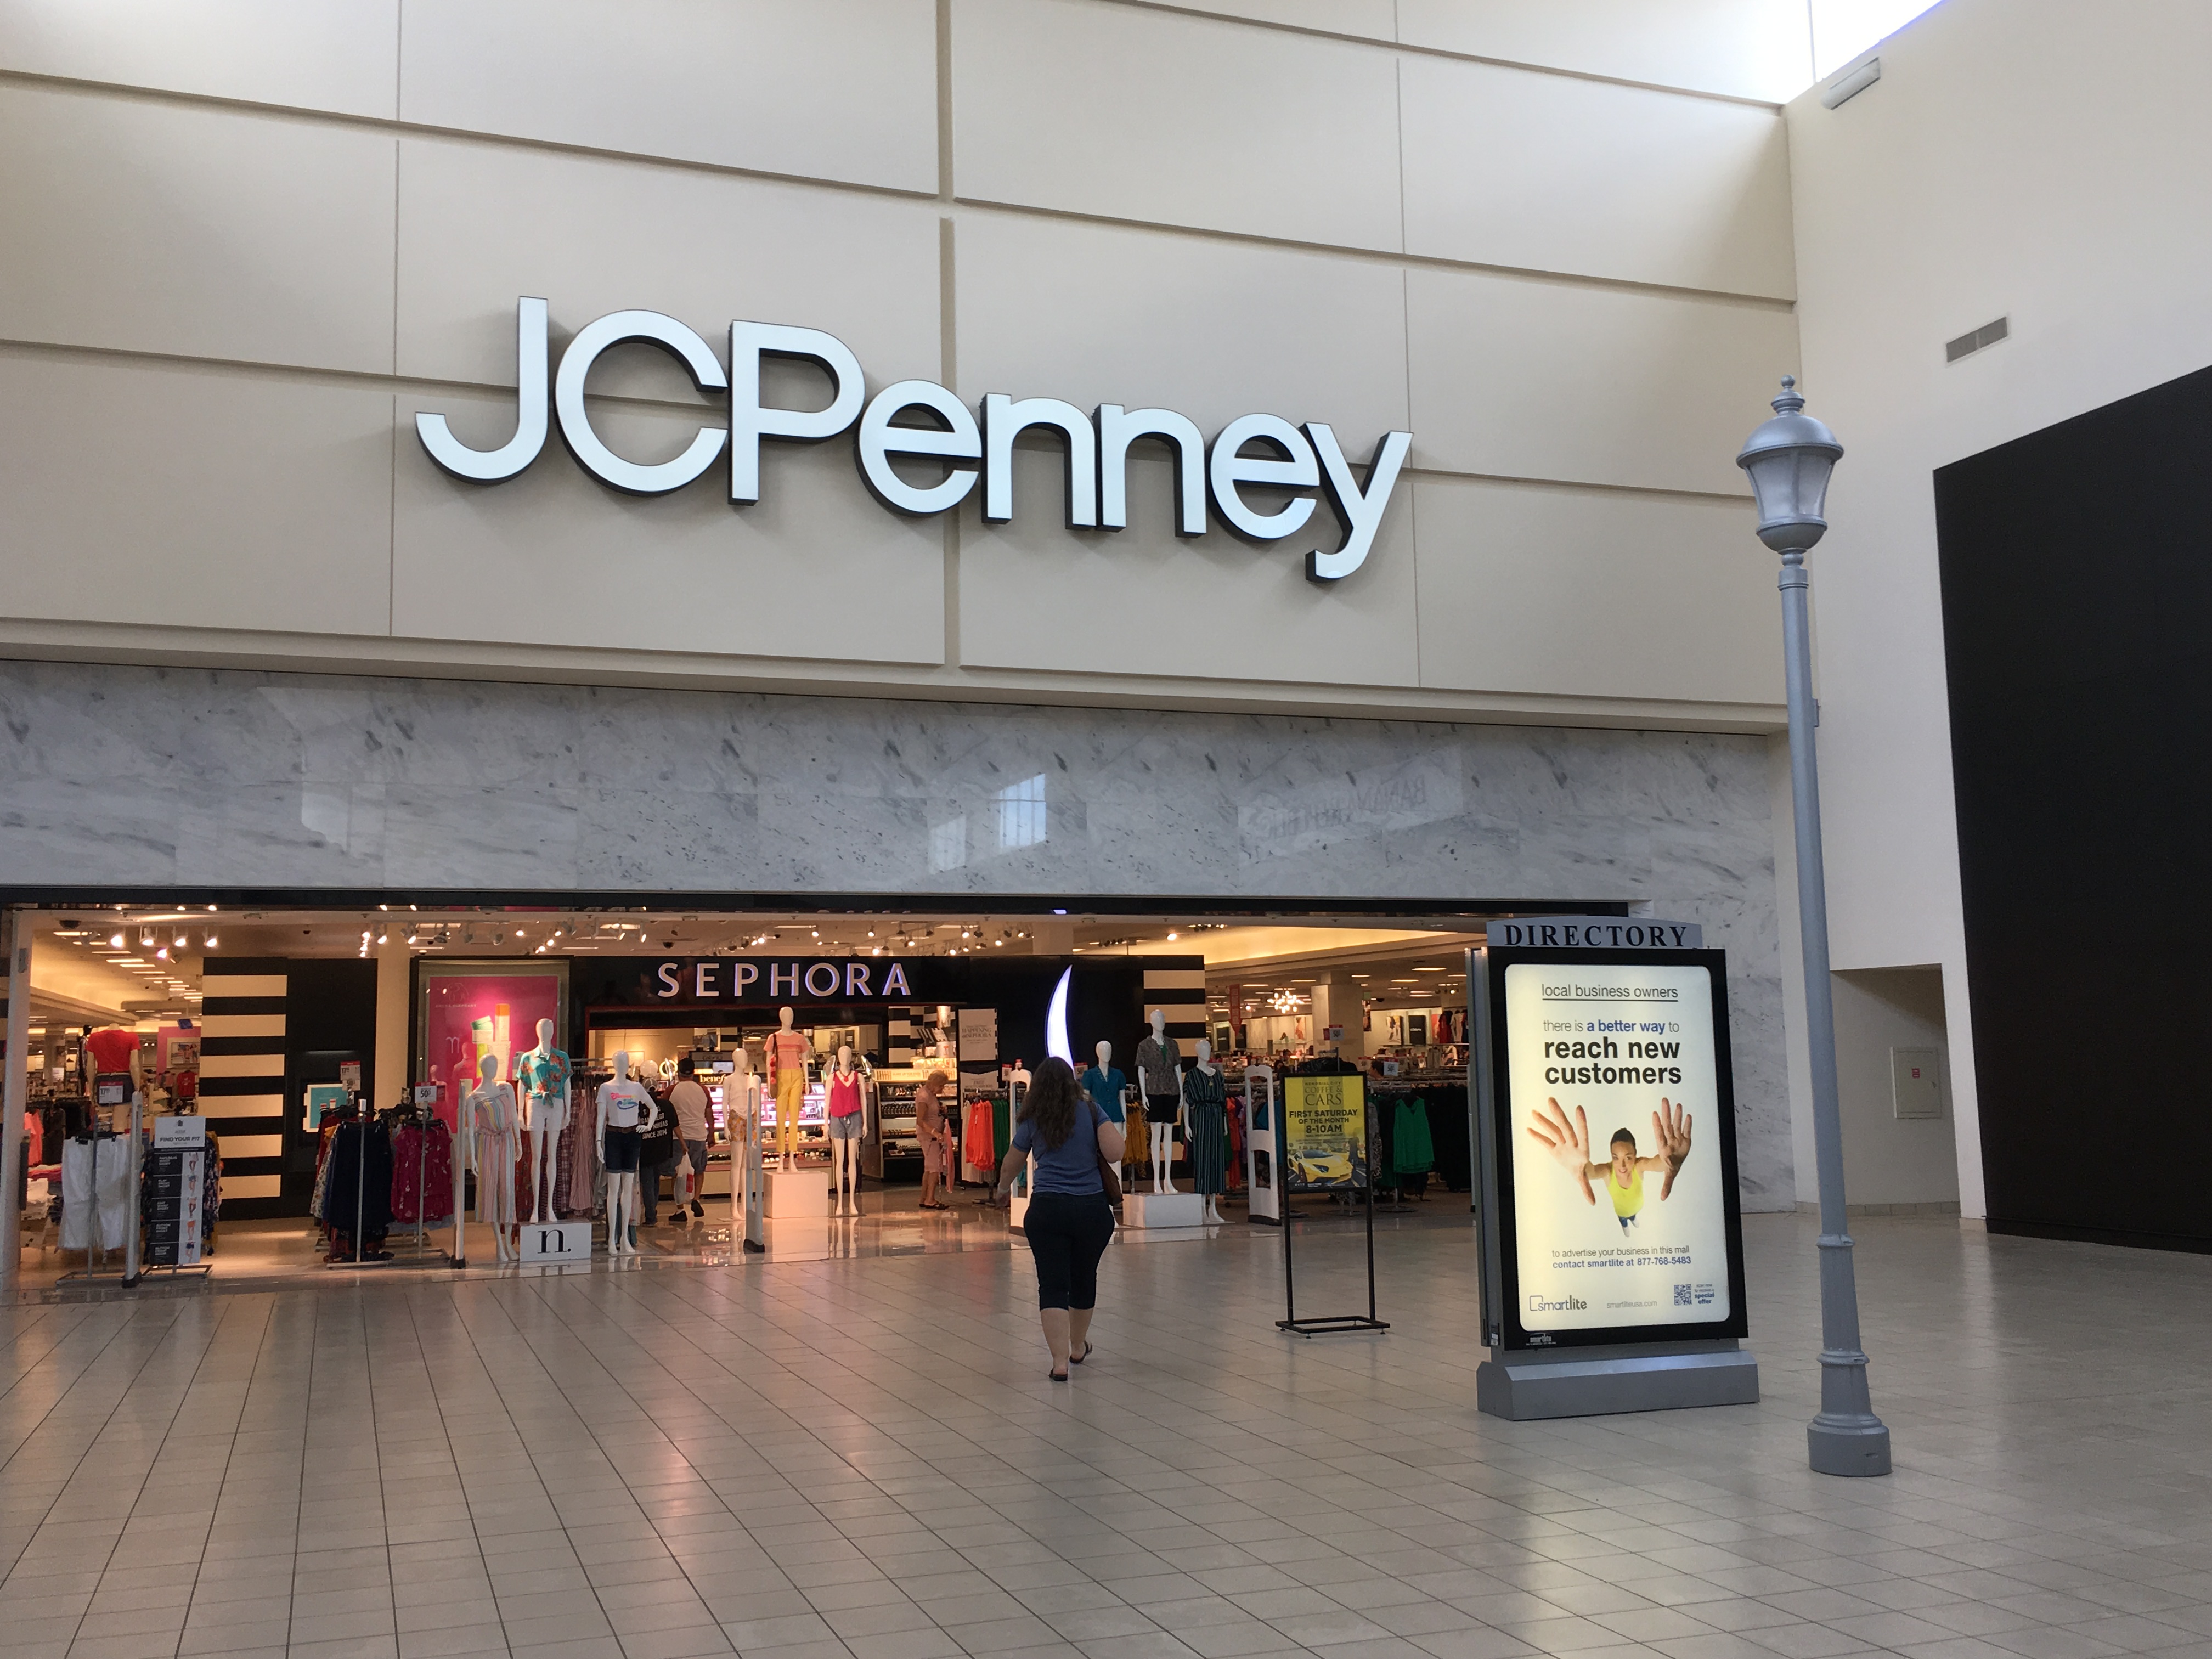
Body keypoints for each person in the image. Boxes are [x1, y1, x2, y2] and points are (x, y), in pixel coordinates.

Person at [994, 1056, 1123, 1381]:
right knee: (1084, 1277)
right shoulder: (1092, 1111)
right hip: (1091, 1211)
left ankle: (1060, 1363)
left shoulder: (1035, 1118)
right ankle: (1077, 1345)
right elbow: (1116, 1152)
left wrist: (1001, 1189)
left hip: (1048, 1210)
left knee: (1052, 1285)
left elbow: (1013, 1159)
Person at [1526, 1097, 1692, 1231]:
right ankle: (1625, 1223)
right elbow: (1591, 1171)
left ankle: (1633, 1218)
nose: (1622, 1165)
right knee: (1624, 1220)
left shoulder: (1639, 1166)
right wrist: (1580, 1168)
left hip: (1637, 1206)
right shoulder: (1607, 1172)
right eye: (1616, 1157)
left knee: (1633, 1216)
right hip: (1620, 1211)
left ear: (1635, 1155)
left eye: (1628, 1157)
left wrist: (1670, 1161)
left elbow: (1657, 1163)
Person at [668, 1059, 712, 1222]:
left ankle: (680, 1209)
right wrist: (712, 1133)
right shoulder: (703, 1090)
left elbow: (667, 1112)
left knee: (679, 1173)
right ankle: (696, 1199)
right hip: (699, 1135)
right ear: (694, 1072)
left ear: (678, 1072)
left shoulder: (673, 1090)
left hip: (679, 1137)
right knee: (699, 1170)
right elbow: (709, 1113)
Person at [915, 1068, 953, 1210]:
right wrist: (935, 1133)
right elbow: (920, 1120)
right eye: (941, 1086)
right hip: (929, 1137)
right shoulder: (924, 1097)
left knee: (928, 1168)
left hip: (930, 1136)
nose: (942, 1089)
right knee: (935, 1169)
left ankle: (924, 1197)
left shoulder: (929, 1094)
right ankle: (930, 1199)